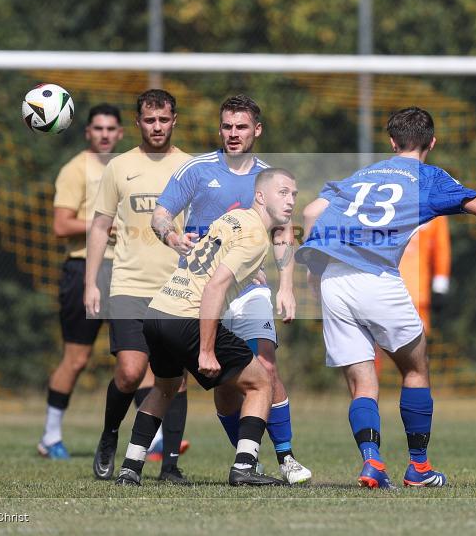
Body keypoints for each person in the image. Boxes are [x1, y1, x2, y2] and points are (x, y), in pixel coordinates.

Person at [297, 106, 476, 489]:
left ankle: (372, 462)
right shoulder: (427, 177)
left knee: (363, 384)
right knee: (415, 368)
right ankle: (419, 468)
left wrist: (314, 273)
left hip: (334, 280)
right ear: (432, 142)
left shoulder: (362, 175)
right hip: (377, 280)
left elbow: (312, 210)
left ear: (392, 142)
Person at [150, 94, 312, 484]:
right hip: (204, 291)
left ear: (257, 130)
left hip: (250, 289)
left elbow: (283, 236)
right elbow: (160, 216)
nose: (233, 134)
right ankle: (247, 461)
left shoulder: (271, 177)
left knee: (267, 366)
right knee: (225, 386)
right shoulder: (197, 169)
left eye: (241, 127)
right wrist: (171, 238)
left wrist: (286, 286)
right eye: (227, 126)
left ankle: (287, 459)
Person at [115, 168, 298, 487]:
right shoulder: (256, 237)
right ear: (260, 196)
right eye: (282, 192)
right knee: (260, 382)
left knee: (164, 387)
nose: (290, 200)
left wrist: (247, 272)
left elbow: (208, 256)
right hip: (187, 317)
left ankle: (130, 467)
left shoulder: (234, 218)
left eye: (293, 194)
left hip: (159, 311)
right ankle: (244, 467)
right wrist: (206, 350)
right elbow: (214, 287)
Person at [84, 89, 193, 484]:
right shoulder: (119, 167)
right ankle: (110, 434)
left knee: (175, 379)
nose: (157, 127)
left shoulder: (191, 167)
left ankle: (169, 466)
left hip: (177, 286)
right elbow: (99, 226)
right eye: (150, 120)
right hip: (128, 283)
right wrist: (91, 283)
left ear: (174, 120)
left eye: (164, 119)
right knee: (130, 373)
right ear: (139, 122)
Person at [38, 104, 123, 460]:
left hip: (125, 270)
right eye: (98, 129)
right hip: (82, 268)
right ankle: (50, 436)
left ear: (120, 133)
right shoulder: (75, 170)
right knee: (76, 358)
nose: (105, 134)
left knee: (141, 354)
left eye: (111, 129)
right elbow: (61, 225)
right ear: (87, 132)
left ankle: (158, 438)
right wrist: (101, 226)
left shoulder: (127, 169)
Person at [399, 215, 451, 335]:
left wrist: (440, 288)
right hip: (383, 291)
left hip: (416, 295)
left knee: (414, 346)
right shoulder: (379, 201)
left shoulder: (435, 206)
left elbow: (441, 248)